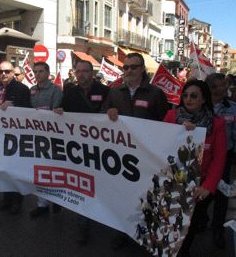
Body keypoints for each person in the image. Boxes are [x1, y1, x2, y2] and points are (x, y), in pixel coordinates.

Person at [103, 52, 169, 250]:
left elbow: (167, 124)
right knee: (122, 195)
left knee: (147, 196)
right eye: (126, 67)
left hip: (147, 156)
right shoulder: (114, 93)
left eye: (133, 67)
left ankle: (148, 234)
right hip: (122, 156)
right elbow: (100, 118)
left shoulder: (156, 94)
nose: (129, 71)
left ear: (142, 69)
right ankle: (122, 232)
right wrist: (108, 113)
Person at [163, 80, 227, 256]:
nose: (188, 99)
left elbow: (219, 158)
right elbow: (160, 144)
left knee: (189, 226)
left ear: (203, 99)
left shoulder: (217, 123)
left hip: (199, 187)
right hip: (173, 180)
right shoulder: (171, 116)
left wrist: (208, 187)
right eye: (185, 95)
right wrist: (179, 131)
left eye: (193, 96)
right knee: (170, 220)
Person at [54, 60, 110, 245]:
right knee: (82, 186)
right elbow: (63, 110)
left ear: (92, 73)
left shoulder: (104, 91)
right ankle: (82, 226)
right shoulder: (70, 91)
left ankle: (102, 217)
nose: (82, 74)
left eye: (86, 71)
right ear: (75, 73)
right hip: (77, 149)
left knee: (99, 185)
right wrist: (60, 111)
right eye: (79, 71)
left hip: (99, 148)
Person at [0, 61, 31, 214]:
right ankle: (6, 199)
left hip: (15, 136)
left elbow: (28, 111)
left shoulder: (22, 89)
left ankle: (17, 202)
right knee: (3, 170)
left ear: (13, 73)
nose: (3, 74)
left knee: (16, 170)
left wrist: (13, 105)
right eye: (0, 71)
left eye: (7, 71)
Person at [28, 62, 63, 218]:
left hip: (53, 137)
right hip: (36, 136)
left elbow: (55, 110)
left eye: (41, 71)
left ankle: (56, 201)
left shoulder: (56, 90)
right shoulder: (32, 90)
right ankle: (41, 204)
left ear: (48, 73)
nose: (38, 74)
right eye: (35, 72)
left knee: (54, 171)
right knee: (39, 170)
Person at [205, 73, 236, 248]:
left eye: (224, 84)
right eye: (218, 85)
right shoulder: (201, 106)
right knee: (203, 192)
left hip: (225, 157)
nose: (223, 88)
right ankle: (201, 220)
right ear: (210, 88)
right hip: (203, 158)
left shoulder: (233, 108)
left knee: (222, 196)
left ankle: (217, 230)